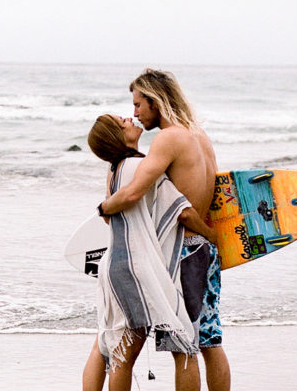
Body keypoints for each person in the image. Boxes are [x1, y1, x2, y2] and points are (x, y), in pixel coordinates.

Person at [99, 69, 231, 391]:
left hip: (182, 252)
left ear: (156, 101)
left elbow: (133, 192)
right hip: (204, 248)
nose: (135, 113)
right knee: (209, 341)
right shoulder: (198, 135)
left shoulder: (168, 139)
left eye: (139, 104)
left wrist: (103, 208)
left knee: (182, 347)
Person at [83, 114, 211, 391]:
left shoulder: (115, 170)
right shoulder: (140, 167)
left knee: (111, 346)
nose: (130, 117)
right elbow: (183, 212)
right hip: (134, 268)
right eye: (122, 121)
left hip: (114, 264)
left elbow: (110, 215)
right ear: (117, 136)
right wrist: (214, 237)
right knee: (181, 342)